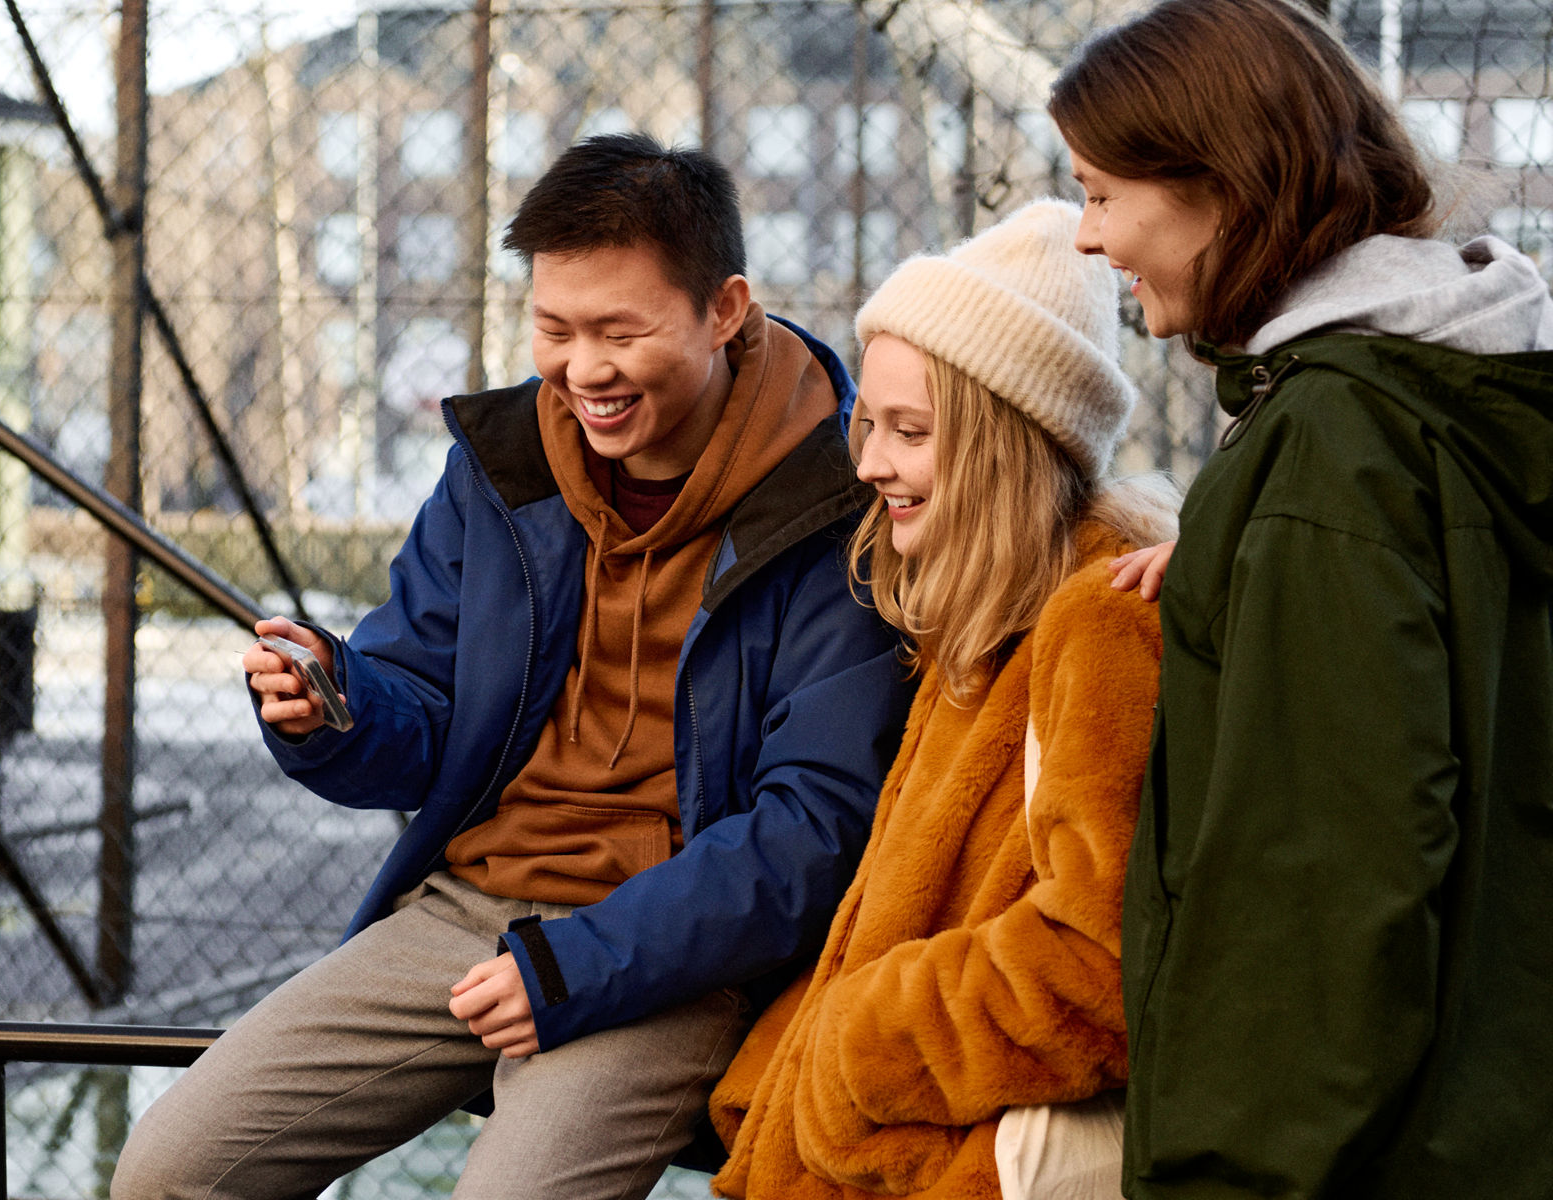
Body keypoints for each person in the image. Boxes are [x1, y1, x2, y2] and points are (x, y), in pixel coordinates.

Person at [109, 133, 913, 1200]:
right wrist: (330, 709)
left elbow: (812, 830)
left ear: (725, 310)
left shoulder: (841, 502)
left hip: (669, 947)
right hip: (463, 909)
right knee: (166, 1172)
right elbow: (426, 712)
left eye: (619, 331)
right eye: (553, 329)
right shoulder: (500, 467)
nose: (582, 368)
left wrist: (574, 966)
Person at [1048, 1, 1553, 1195]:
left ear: (1220, 187)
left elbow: (1323, 881)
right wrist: (1248, 548)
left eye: (1102, 194)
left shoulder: (1329, 448)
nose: (1086, 237)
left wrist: (1227, 1174)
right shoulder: (1435, 404)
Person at [709, 198, 1178, 1200]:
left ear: (1005, 442)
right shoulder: (974, 617)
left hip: (954, 1153)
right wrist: (783, 1076)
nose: (870, 463)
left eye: (909, 431)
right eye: (866, 424)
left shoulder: (1096, 622)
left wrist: (856, 1045)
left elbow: (1102, 960)